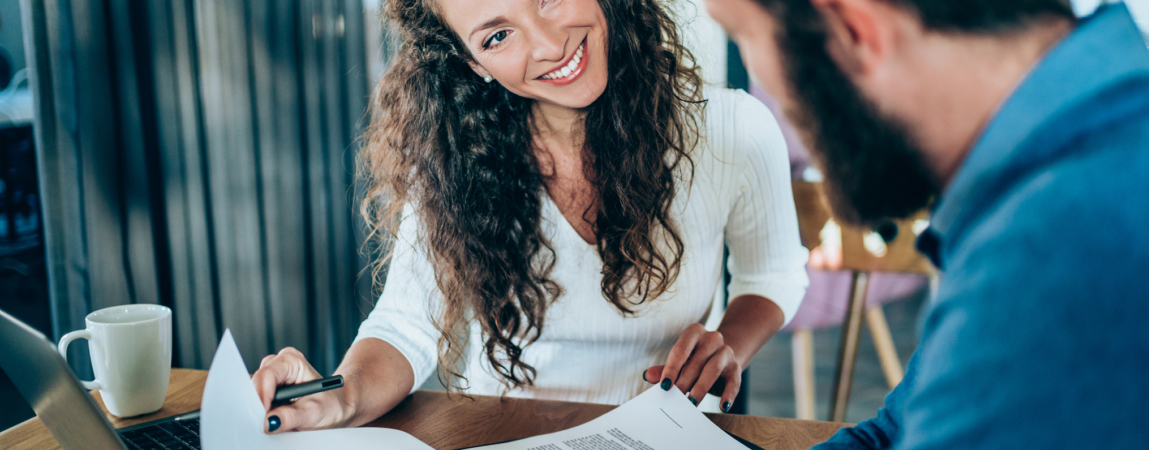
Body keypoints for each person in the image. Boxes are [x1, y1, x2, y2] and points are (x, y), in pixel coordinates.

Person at [251, 0, 808, 434]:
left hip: (670, 432)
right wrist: (340, 397)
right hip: (504, 436)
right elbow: (405, 327)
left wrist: (729, 341)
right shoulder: (455, 163)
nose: (547, 45)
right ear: (475, 64)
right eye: (498, 35)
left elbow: (774, 275)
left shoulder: (736, 131)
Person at [704, 0, 1149, 448]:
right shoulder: (1080, 150)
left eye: (742, 34)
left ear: (854, 30)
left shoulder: (1052, 252)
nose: (759, 78)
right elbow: (891, 433)